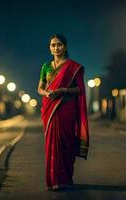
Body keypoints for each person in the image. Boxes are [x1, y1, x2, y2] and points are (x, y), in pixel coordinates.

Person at [37, 34, 89, 191]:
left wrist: (63, 90)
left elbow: (80, 89)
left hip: (66, 109)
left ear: (65, 47)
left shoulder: (74, 67)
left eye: (59, 44)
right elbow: (40, 88)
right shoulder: (46, 66)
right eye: (53, 45)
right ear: (49, 48)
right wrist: (47, 93)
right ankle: (54, 180)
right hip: (49, 108)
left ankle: (66, 177)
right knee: (52, 144)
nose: (56, 48)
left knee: (66, 143)